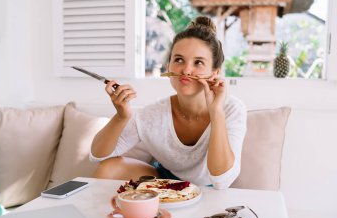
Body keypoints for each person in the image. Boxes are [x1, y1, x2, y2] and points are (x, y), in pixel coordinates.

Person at [90, 16, 247, 189]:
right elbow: (98, 156)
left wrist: (216, 111)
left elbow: (221, 181)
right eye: (179, 60)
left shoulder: (232, 109)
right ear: (168, 67)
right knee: (107, 169)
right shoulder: (151, 114)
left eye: (198, 62)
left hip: (208, 189)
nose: (186, 70)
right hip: (164, 183)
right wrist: (121, 117)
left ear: (215, 73)